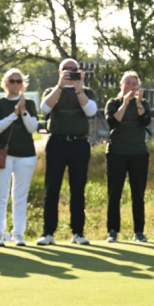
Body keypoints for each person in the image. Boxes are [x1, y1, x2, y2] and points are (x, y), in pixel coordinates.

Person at [37, 58, 98, 246]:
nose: (70, 72)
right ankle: (48, 232)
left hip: (79, 144)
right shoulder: (52, 91)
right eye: (66, 70)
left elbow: (91, 111)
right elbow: (44, 108)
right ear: (59, 72)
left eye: (73, 70)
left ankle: (78, 232)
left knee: (78, 189)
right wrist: (60, 86)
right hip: (57, 143)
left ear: (79, 72)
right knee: (52, 189)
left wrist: (78, 89)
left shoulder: (86, 92)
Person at [0, 68, 38, 247]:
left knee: (20, 196)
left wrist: (23, 112)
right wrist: (14, 114)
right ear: (5, 83)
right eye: (12, 81)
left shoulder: (30, 103)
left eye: (18, 81)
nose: (15, 84)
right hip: (3, 154)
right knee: (1, 195)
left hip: (26, 155)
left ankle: (18, 233)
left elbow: (32, 127)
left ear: (22, 84)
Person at [105, 71, 152, 243]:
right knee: (114, 194)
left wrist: (138, 104)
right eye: (128, 83)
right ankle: (112, 231)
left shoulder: (143, 103)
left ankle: (139, 232)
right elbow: (112, 122)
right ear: (121, 85)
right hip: (117, 153)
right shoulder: (113, 102)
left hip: (139, 153)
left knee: (138, 194)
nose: (131, 87)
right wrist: (124, 103)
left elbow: (145, 121)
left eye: (134, 84)